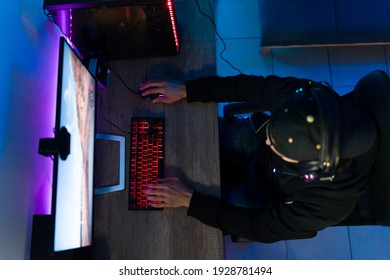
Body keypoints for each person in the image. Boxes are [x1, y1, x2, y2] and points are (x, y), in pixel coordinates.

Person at [139, 73, 379, 243]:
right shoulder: (303, 97)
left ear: (309, 167)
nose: (266, 141)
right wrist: (188, 89)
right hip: (267, 163)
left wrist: (189, 201)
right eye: (271, 134)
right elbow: (251, 86)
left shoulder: (329, 204)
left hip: (269, 193)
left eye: (276, 144)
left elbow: (259, 227)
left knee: (189, 224)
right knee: (188, 134)